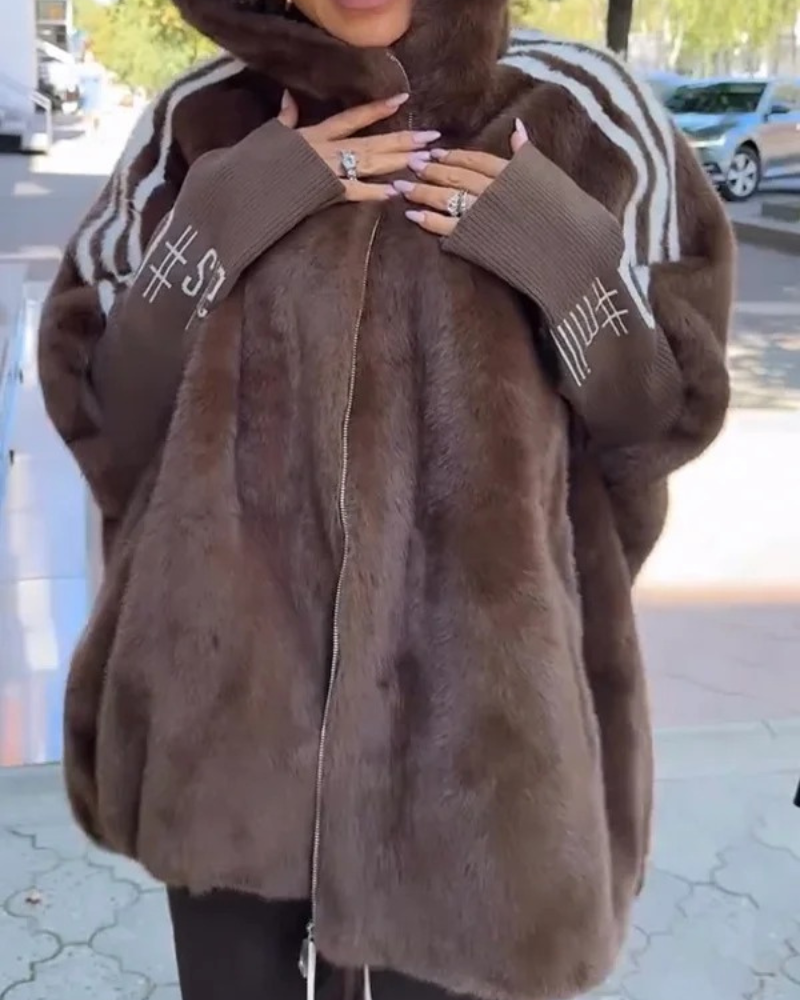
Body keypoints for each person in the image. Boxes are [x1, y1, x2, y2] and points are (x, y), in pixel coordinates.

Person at [38, 1, 734, 999]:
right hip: (226, 718)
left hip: (479, 748)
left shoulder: (589, 112)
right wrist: (217, 226)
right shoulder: (201, 120)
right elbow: (109, 414)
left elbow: (655, 426)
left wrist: (566, 264)